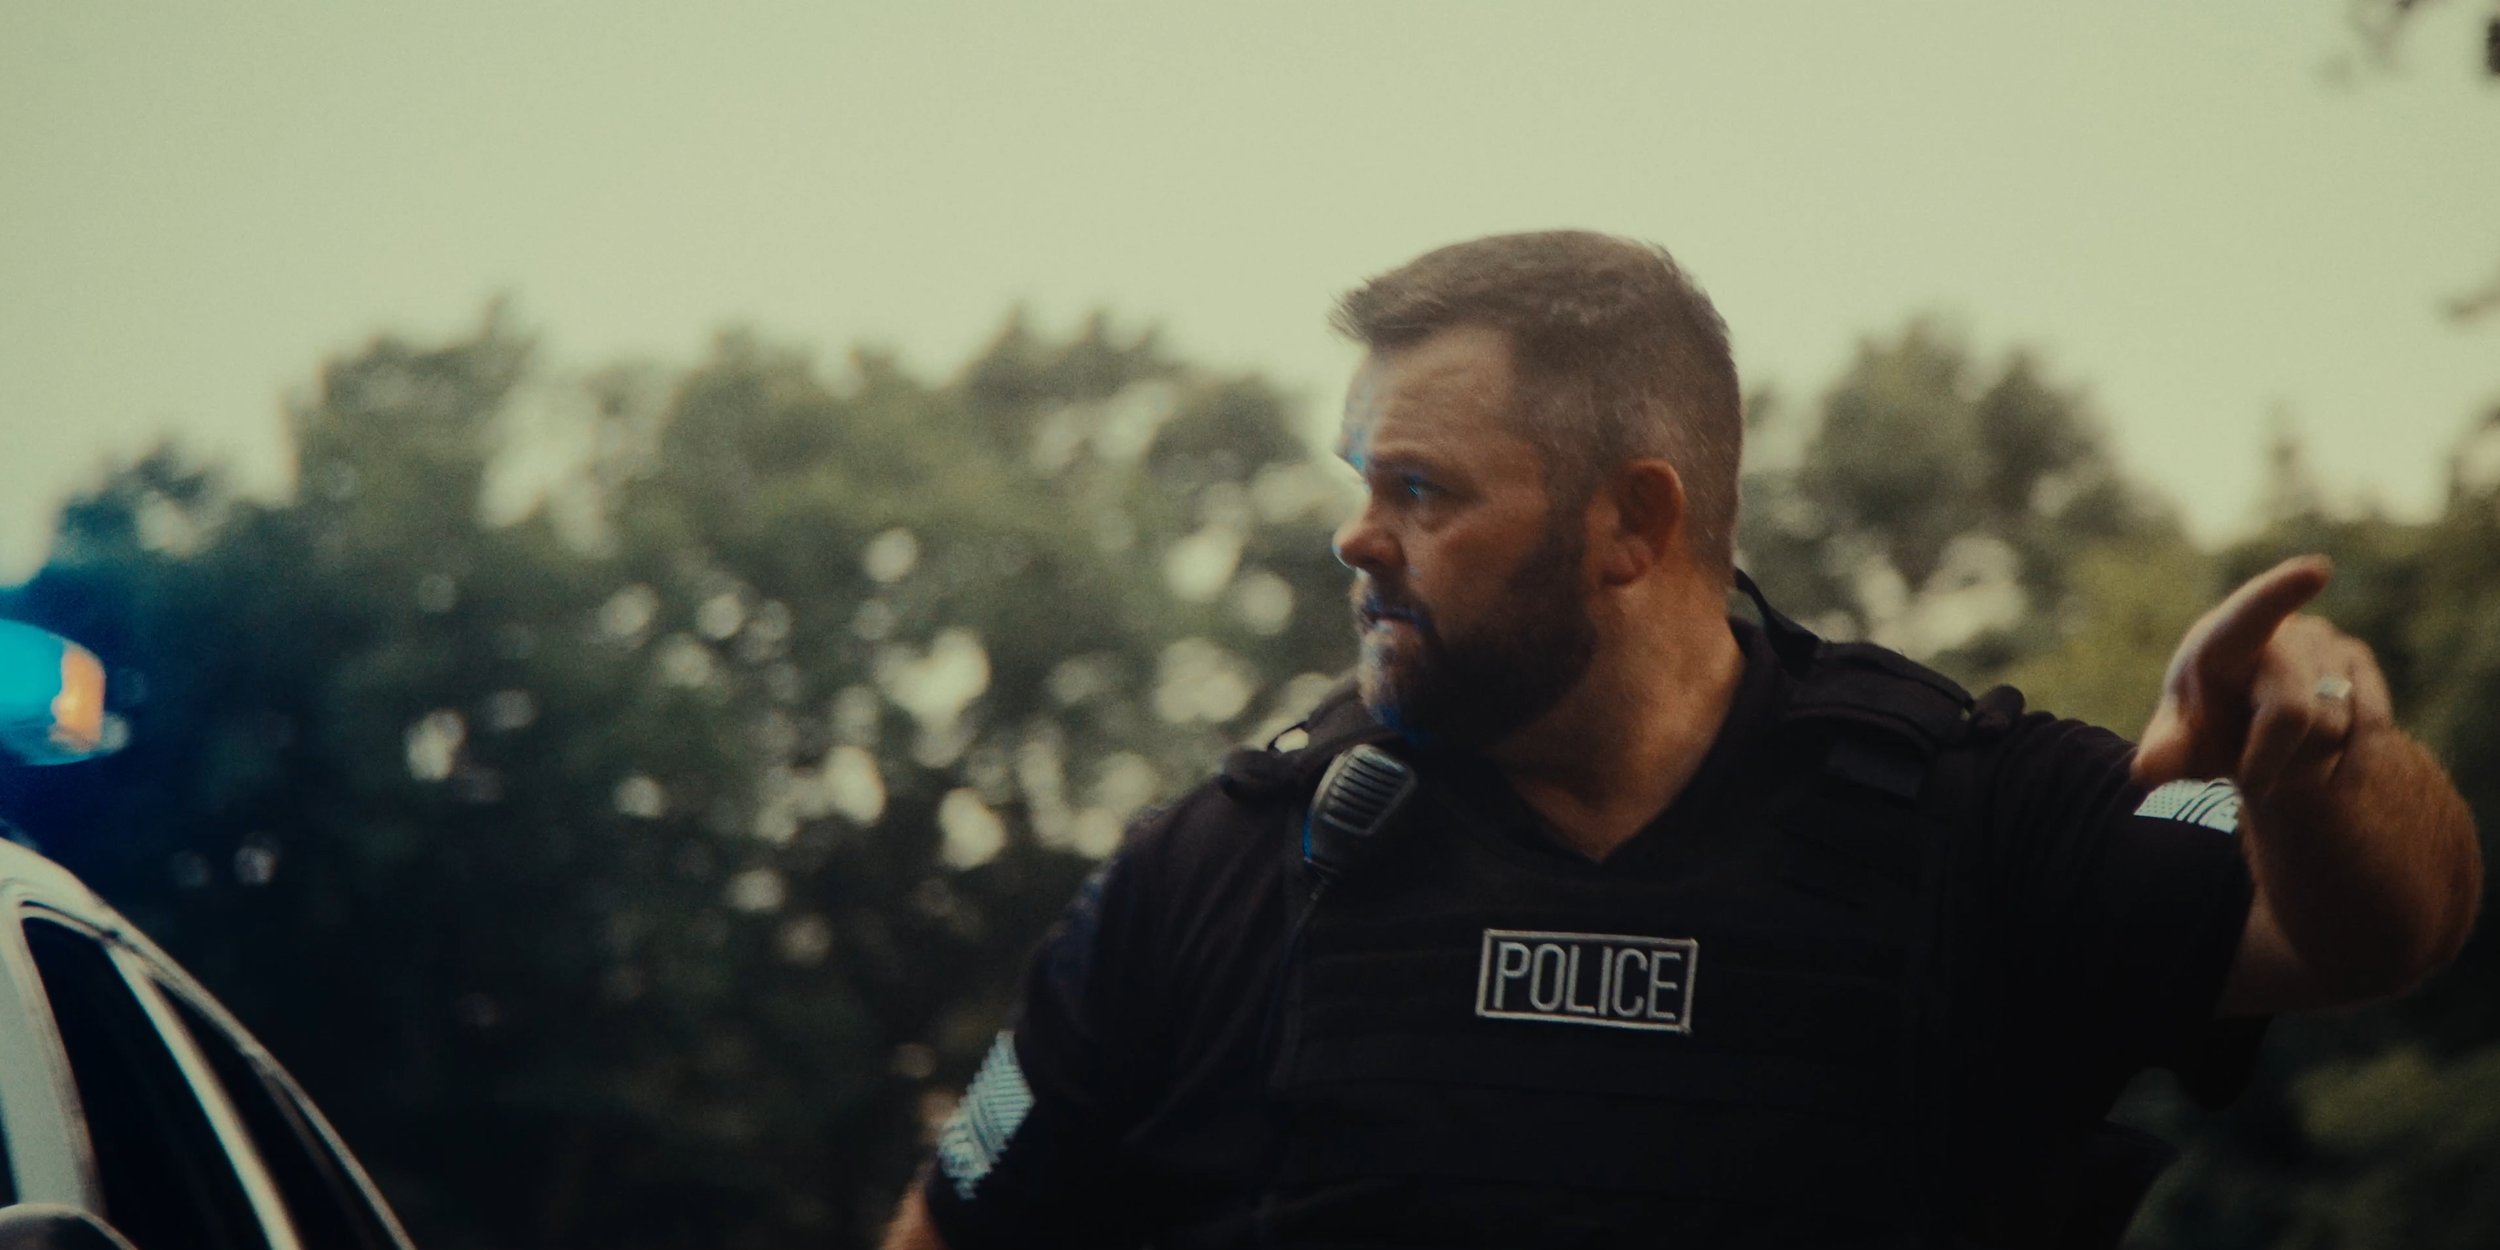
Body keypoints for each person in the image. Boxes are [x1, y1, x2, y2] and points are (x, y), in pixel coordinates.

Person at [880, 231, 2483, 1249]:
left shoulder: (1967, 820)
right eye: (1359, 480)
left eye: (1421, 489)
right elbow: (951, 1225)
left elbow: (2390, 927)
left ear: (1634, 519)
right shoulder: (1221, 864)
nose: (1356, 540)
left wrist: (2325, 767)